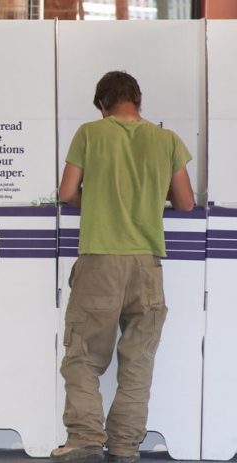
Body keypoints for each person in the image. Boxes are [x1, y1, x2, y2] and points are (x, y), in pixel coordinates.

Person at [51, 71, 194, 463]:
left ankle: (84, 438)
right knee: (137, 362)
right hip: (147, 266)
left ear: (102, 105)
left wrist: (95, 194)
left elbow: (66, 192)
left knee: (82, 355)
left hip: (100, 260)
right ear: (138, 100)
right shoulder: (166, 140)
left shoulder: (90, 133)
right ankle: (126, 447)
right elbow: (185, 201)